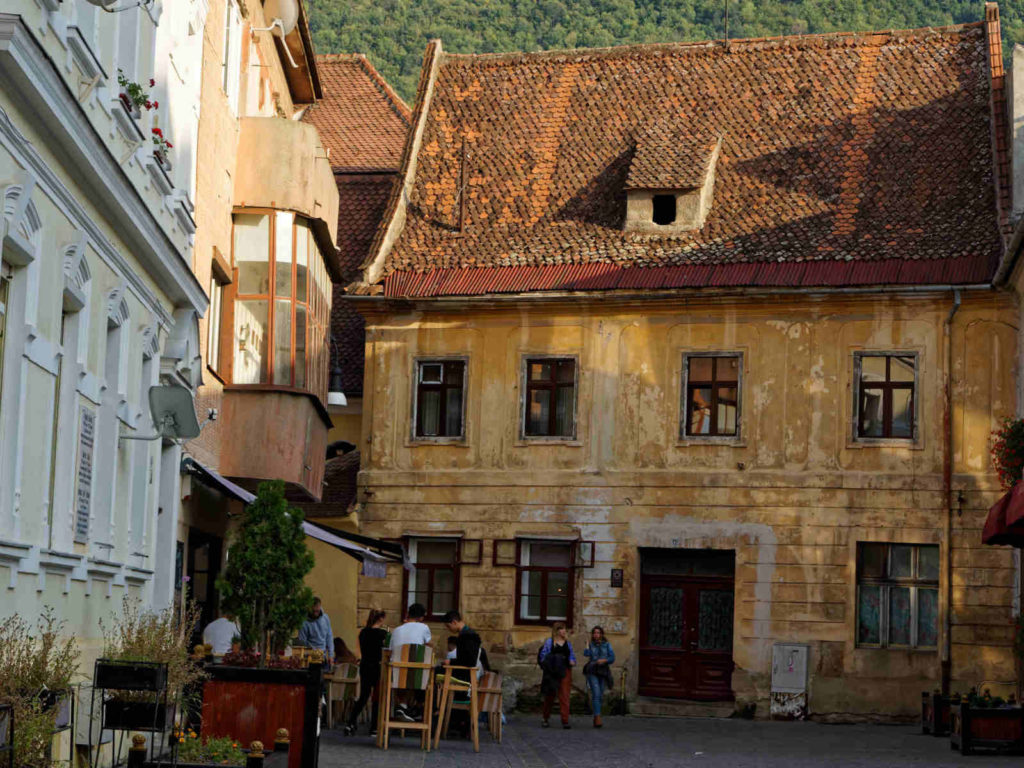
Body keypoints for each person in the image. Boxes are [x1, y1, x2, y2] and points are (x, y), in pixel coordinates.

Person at [344, 610, 387, 737]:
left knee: (364, 696)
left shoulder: (363, 632)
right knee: (376, 698)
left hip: (365, 665)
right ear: (380, 619)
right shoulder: (383, 634)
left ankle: (350, 722)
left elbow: (361, 650)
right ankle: (374, 727)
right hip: (377, 666)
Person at [387, 603, 432, 722]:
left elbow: (390, 651)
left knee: (402, 671)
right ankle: (419, 708)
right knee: (424, 673)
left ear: (408, 614)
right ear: (422, 618)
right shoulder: (424, 627)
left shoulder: (396, 630)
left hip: (395, 676)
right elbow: (428, 648)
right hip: (415, 677)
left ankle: (402, 705)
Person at [537, 621, 575, 729]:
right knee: (550, 695)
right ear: (557, 631)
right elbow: (543, 656)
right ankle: (545, 717)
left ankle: (565, 720)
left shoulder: (568, 643)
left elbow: (572, 656)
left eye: (565, 629)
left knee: (564, 695)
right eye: (562, 629)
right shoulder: (550, 642)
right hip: (553, 670)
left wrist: (572, 661)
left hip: (565, 670)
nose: (564, 631)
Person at [583, 625, 615, 728]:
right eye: (594, 633)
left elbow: (612, 658)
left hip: (603, 671)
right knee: (596, 693)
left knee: (600, 695)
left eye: (598, 633)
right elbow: (586, 654)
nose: (596, 635)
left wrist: (604, 660)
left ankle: (596, 715)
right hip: (592, 670)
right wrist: (587, 645)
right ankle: (597, 717)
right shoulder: (591, 644)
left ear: (601, 634)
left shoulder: (607, 645)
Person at [297, 597, 333, 663]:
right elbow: (302, 642)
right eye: (313, 611)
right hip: (310, 657)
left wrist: (331, 655)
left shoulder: (325, 618)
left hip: (323, 656)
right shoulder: (304, 623)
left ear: (320, 607)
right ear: (309, 609)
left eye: (317, 611)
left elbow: (329, 637)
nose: (316, 613)